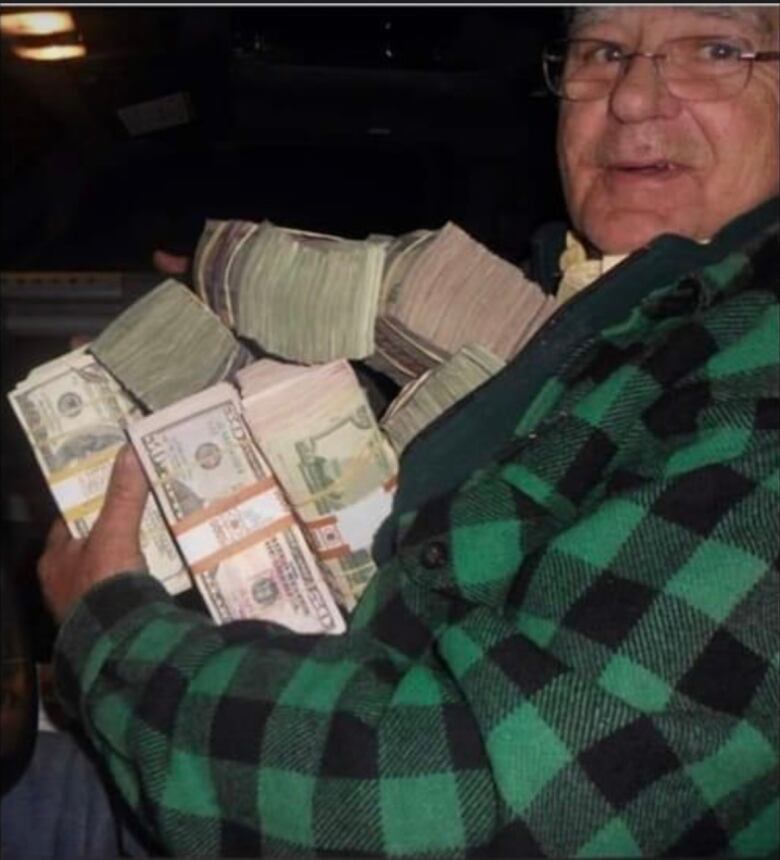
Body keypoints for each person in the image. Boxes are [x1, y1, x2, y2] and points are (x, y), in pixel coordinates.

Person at [31, 5, 780, 856]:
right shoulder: (567, 318)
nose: (635, 98)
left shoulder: (755, 365)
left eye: (718, 49)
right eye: (605, 51)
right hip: (254, 733)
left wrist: (109, 634)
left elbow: (477, 807)